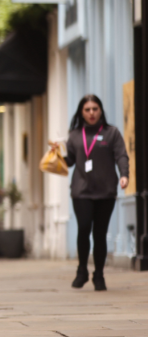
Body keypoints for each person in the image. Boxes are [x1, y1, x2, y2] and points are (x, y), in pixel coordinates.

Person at [63, 94, 129, 291]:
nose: (91, 113)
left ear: (100, 110)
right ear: (81, 113)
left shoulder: (112, 133)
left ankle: (98, 274)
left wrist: (124, 174)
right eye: (87, 109)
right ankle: (82, 270)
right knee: (84, 229)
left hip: (105, 191)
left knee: (99, 234)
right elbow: (69, 161)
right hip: (81, 191)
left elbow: (121, 156)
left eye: (95, 109)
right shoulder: (74, 135)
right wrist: (56, 154)